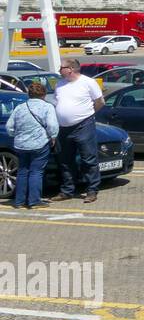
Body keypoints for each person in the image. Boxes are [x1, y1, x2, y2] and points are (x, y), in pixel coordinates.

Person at [52, 57, 104, 203]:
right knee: (65, 160)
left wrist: (88, 114)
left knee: (88, 158)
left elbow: (100, 102)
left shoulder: (88, 82)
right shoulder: (60, 84)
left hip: (83, 125)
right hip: (63, 128)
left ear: (71, 69)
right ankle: (67, 190)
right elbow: (57, 102)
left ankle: (92, 190)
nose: (59, 70)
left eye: (61, 67)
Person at [5, 82, 59, 208]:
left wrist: (15, 135)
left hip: (21, 145)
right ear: (44, 94)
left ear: (29, 94)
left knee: (23, 171)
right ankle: (34, 200)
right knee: (36, 172)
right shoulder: (47, 107)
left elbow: (9, 126)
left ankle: (19, 201)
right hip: (39, 143)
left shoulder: (20, 107)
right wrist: (53, 136)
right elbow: (52, 125)